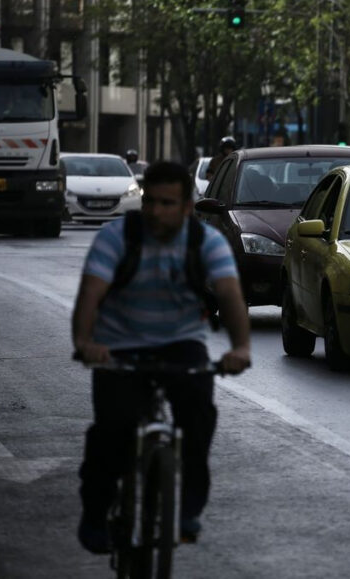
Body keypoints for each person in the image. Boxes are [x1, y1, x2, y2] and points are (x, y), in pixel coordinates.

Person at [72, 160, 251, 554]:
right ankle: (96, 514)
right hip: (118, 345)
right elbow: (90, 295)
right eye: (150, 202)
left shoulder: (206, 243)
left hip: (180, 344)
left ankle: (186, 508)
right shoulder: (116, 238)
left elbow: (230, 296)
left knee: (197, 422)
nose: (156, 212)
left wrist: (240, 348)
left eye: (167, 203)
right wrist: (85, 342)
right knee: (112, 433)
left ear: (187, 207)